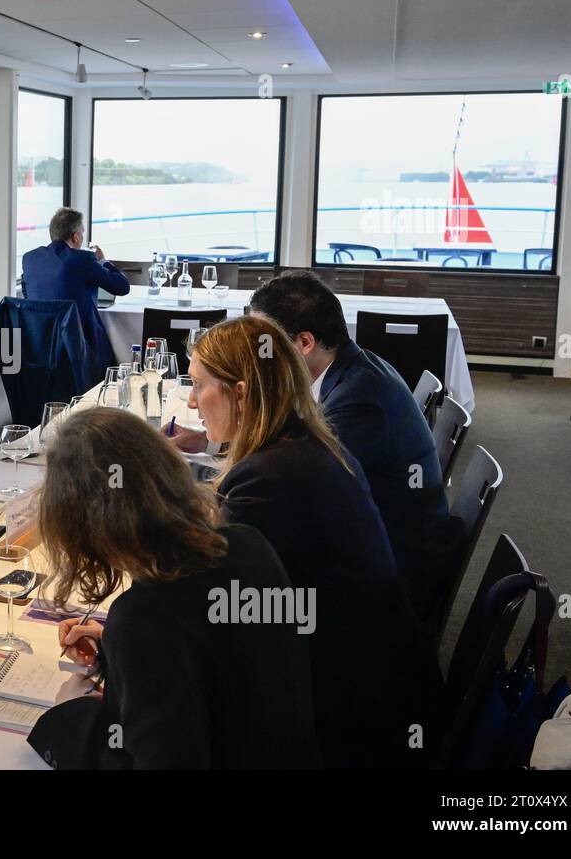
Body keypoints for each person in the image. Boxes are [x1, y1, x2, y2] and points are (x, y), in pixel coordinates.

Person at [187, 316, 443, 769]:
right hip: (377, 673)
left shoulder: (269, 476)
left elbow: (217, 608)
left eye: (199, 385)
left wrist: (125, 634)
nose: (191, 401)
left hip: (346, 712)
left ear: (241, 393)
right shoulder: (302, 445)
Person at [25, 408, 320, 770]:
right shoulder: (247, 544)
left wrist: (70, 716)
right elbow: (225, 661)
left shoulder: (142, 617)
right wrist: (115, 655)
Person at [248, 271, 462, 628]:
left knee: (233, 596)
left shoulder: (359, 400)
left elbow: (300, 489)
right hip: (387, 544)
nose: (259, 355)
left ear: (304, 342)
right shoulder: (349, 370)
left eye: (263, 344)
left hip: (387, 582)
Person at [20, 207, 130, 371]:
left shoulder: (30, 258)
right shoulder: (83, 259)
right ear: (76, 237)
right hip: (79, 344)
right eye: (82, 232)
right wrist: (103, 261)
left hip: (40, 344)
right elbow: (122, 287)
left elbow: (28, 294)